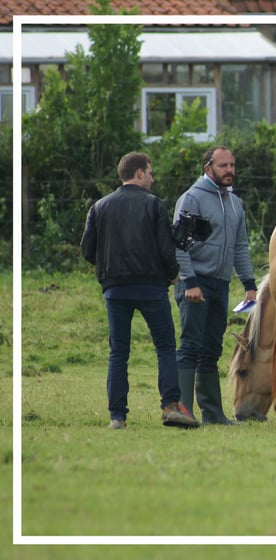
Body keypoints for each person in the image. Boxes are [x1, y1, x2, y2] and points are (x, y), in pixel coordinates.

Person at [81, 152, 199, 430]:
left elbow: (88, 251)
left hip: (115, 289)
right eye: (150, 171)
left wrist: (108, 268)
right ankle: (170, 406)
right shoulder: (154, 205)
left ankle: (117, 416)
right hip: (151, 287)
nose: (153, 177)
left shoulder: (99, 206)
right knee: (165, 346)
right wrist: (173, 275)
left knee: (118, 352)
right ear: (139, 173)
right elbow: (165, 248)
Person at [173, 146, 257, 425]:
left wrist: (249, 284)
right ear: (208, 168)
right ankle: (182, 411)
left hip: (221, 284)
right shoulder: (192, 199)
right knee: (191, 345)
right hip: (195, 284)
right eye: (223, 166)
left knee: (212, 348)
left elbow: (241, 246)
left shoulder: (235, 203)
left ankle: (213, 413)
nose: (230, 170)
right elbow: (179, 246)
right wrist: (190, 283)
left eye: (232, 165)